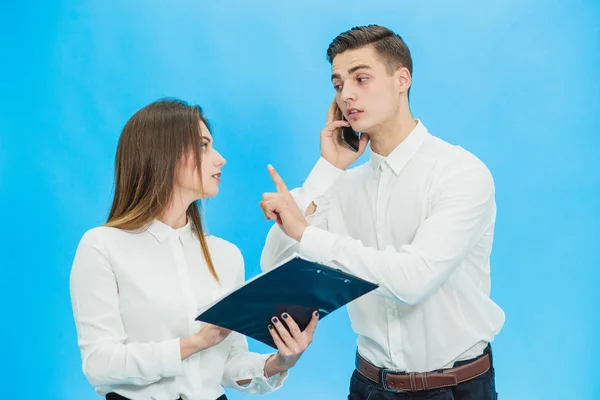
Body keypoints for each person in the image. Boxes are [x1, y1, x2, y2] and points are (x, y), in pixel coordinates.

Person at [259, 25, 504, 399]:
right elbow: (275, 264)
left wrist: (307, 234)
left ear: (401, 79)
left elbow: (412, 281)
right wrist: (328, 169)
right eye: (338, 84)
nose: (347, 95)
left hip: (455, 387)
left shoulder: (460, 172)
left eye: (362, 78)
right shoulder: (341, 184)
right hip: (368, 385)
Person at [69, 98, 319, 400]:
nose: (220, 158)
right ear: (163, 154)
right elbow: (100, 364)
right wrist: (197, 342)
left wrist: (280, 361)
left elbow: (228, 364)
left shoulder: (225, 256)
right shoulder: (102, 246)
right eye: (204, 146)